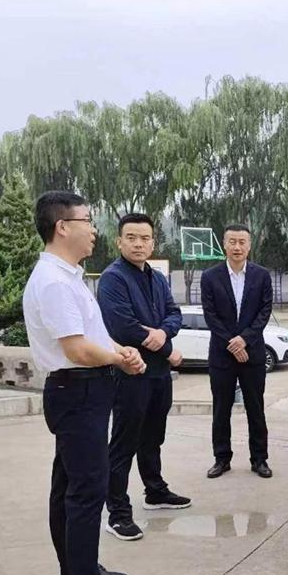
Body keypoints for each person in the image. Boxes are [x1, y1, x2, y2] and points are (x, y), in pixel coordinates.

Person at [22, 191, 145, 575]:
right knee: (86, 493)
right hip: (77, 391)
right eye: (87, 220)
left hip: (83, 390)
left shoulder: (69, 276)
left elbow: (92, 334)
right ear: (62, 227)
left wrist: (120, 350)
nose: (94, 230)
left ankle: (77, 572)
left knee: (69, 487)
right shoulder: (53, 282)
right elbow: (76, 349)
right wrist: (118, 359)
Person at [97, 213, 188, 542]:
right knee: (124, 444)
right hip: (130, 373)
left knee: (153, 437)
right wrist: (168, 348)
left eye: (145, 238)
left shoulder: (157, 278)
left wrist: (162, 334)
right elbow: (123, 327)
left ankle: (155, 491)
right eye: (131, 237)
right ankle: (118, 513)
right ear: (119, 241)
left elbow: (174, 314)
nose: (138, 244)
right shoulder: (112, 279)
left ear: (153, 242)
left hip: (159, 375)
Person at [200, 224, 274, 479]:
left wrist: (244, 340)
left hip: (253, 355)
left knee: (256, 408)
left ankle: (259, 459)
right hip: (222, 355)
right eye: (232, 241)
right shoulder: (210, 277)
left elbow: (264, 311)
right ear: (224, 244)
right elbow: (210, 315)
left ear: (249, 246)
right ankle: (221, 459)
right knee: (221, 409)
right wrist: (232, 343)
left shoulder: (261, 276)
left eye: (242, 242)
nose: (237, 247)